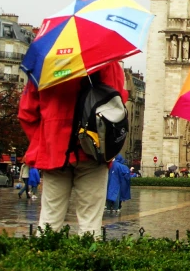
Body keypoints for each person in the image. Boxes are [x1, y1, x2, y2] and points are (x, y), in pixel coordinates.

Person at [18, 62, 128, 236]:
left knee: (49, 221)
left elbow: (26, 112)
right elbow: (117, 102)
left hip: (55, 152)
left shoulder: (44, 61)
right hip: (93, 150)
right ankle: (86, 261)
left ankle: (42, 259)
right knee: (90, 224)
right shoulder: (107, 61)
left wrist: (45, 141)